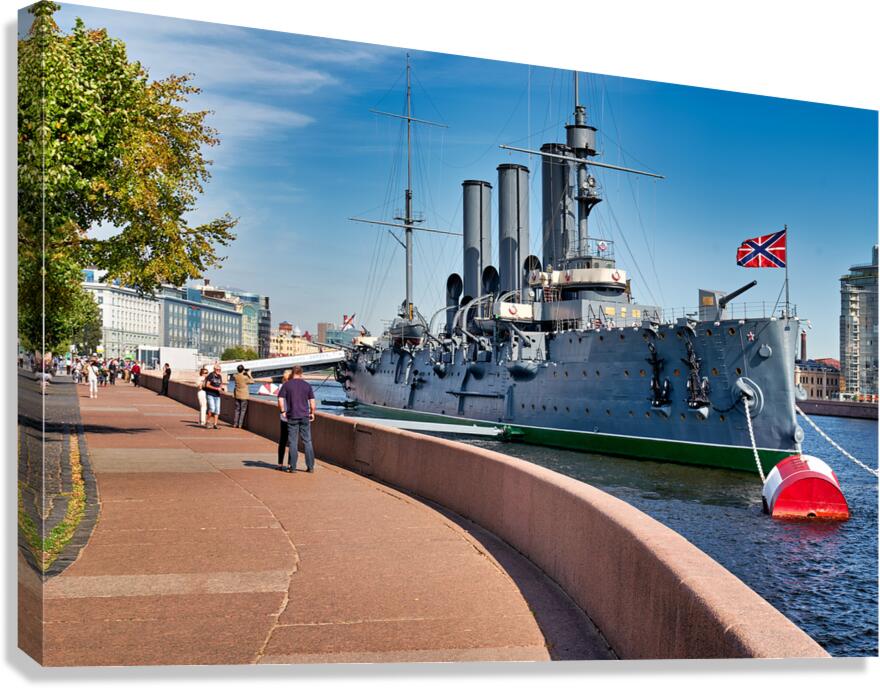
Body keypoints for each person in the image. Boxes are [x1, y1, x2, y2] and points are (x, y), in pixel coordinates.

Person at [276, 366, 316, 473]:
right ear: (301, 374)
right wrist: (312, 412)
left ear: (292, 373)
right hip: (304, 416)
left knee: (293, 442)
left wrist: (283, 411)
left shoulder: (286, 385)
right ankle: (310, 466)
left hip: (292, 416)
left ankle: (292, 467)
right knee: (307, 441)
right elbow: (312, 402)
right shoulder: (307, 385)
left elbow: (280, 399)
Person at [275, 370, 292, 468]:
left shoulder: (281, 387)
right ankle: (290, 464)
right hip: (293, 417)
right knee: (292, 442)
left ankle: (280, 463)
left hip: (283, 417)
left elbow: (279, 403)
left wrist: (282, 411)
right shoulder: (293, 388)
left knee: (282, 441)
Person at [232, 364, 255, 428]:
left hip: (237, 395)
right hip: (244, 396)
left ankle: (235, 424)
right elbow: (253, 381)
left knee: (237, 410)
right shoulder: (245, 377)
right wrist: (249, 374)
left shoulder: (236, 376)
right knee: (242, 411)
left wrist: (243, 372)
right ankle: (240, 425)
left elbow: (236, 374)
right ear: (243, 370)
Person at [204, 364, 224, 429]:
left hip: (217, 395)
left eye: (219, 370)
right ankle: (207, 422)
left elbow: (221, 383)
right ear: (214, 369)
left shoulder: (220, 376)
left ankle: (215, 424)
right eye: (217, 369)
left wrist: (221, 388)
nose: (219, 371)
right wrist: (216, 388)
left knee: (217, 410)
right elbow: (207, 385)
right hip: (210, 394)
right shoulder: (211, 375)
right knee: (212, 409)